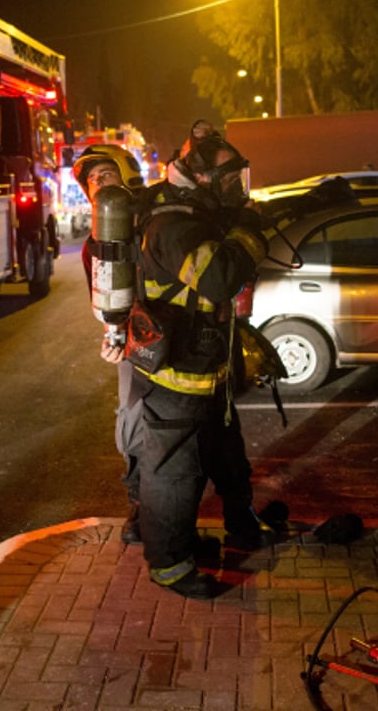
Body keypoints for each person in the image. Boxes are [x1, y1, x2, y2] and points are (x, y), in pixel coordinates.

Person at [127, 123, 269, 599]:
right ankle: (168, 565)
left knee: (224, 456)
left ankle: (231, 531)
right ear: (201, 178)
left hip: (207, 372)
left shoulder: (197, 214)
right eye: (228, 182)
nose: (237, 192)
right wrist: (251, 233)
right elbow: (219, 277)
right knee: (173, 473)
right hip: (176, 376)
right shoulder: (172, 224)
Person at [74, 144, 146, 543]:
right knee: (132, 425)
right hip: (136, 346)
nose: (98, 182)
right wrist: (112, 338)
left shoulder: (160, 223)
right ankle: (139, 506)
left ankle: (238, 511)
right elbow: (105, 304)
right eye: (92, 179)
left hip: (181, 337)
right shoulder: (93, 246)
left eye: (106, 173)